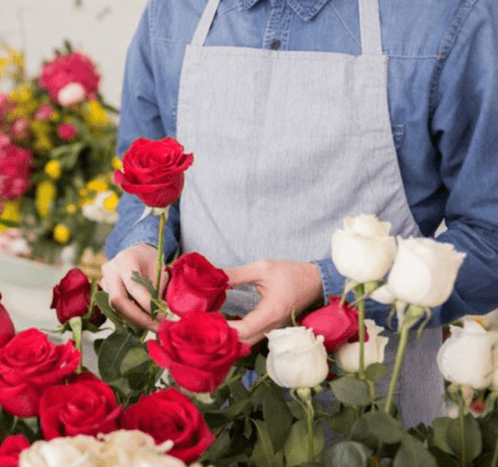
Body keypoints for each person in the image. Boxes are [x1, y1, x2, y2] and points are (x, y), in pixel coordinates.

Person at [101, 0, 498, 428]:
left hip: (371, 409)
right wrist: (139, 244)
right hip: (191, 406)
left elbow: (490, 237)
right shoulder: (174, 10)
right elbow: (142, 179)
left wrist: (329, 286)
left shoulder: (452, 15)